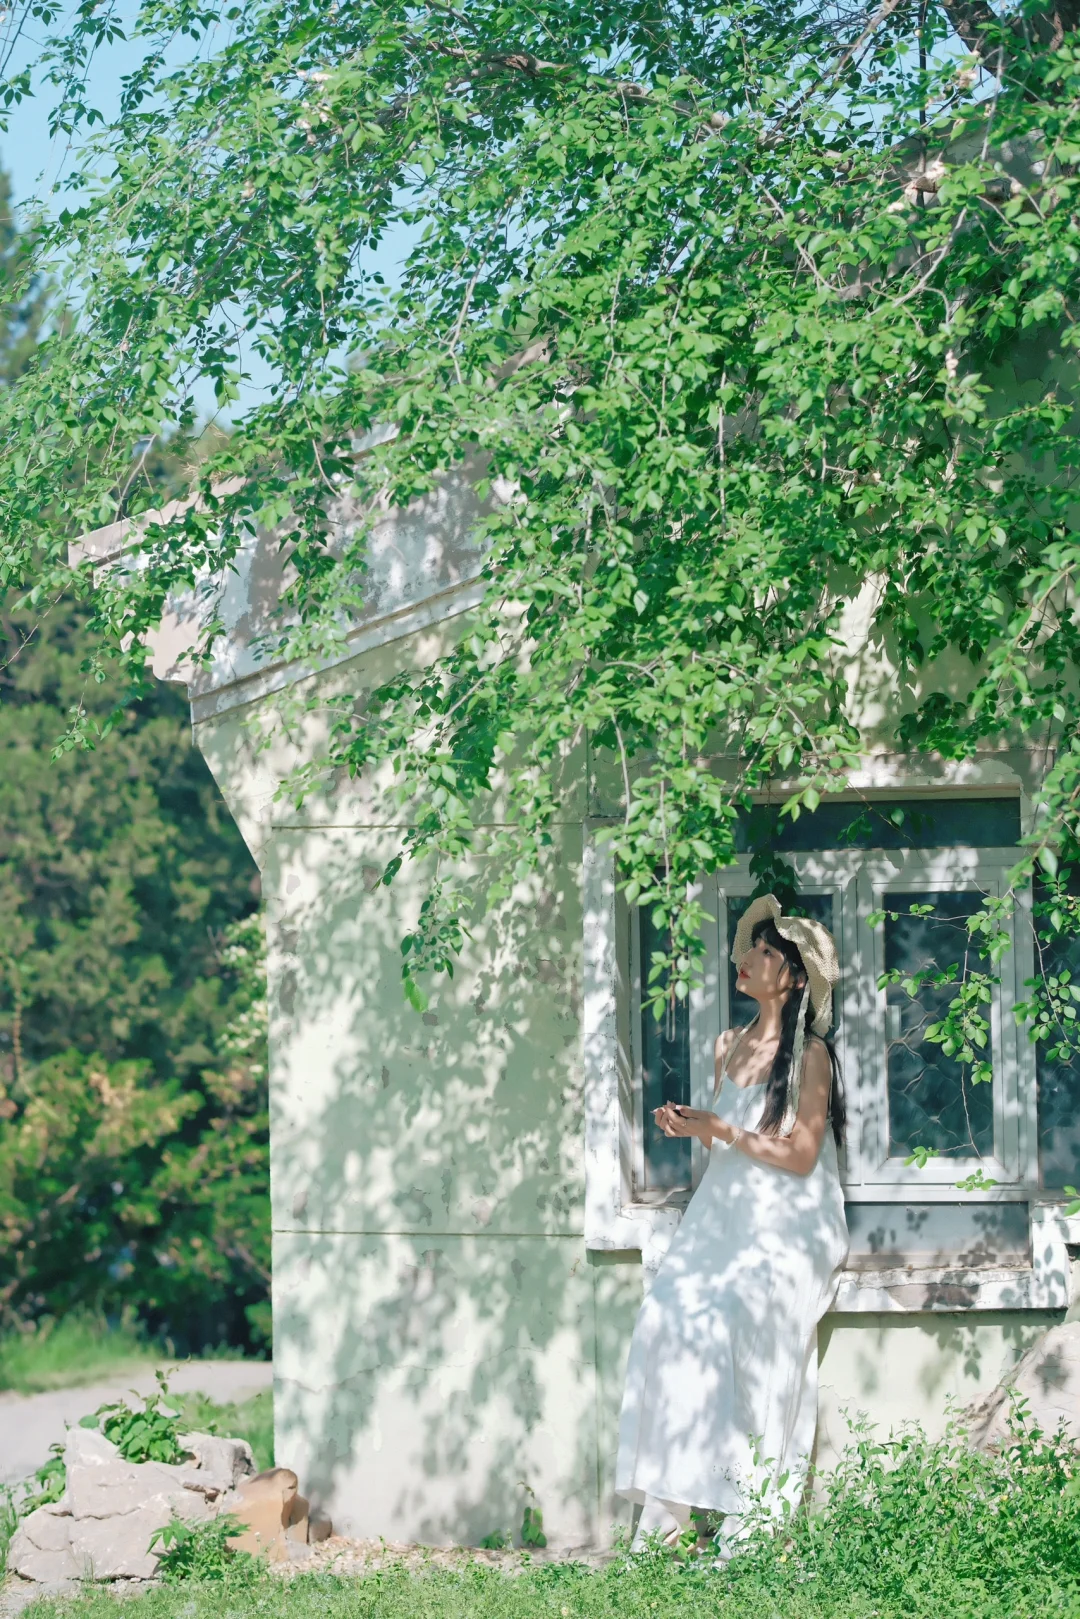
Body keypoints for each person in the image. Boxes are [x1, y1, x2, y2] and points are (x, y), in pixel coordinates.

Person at [615, 893, 849, 1556]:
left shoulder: (812, 1056)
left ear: (795, 977)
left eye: (764, 952)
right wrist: (694, 1126)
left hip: (787, 1223)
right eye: (749, 949)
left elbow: (801, 1155)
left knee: (735, 1318)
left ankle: (745, 1511)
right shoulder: (727, 1042)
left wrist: (722, 1128)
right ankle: (671, 1513)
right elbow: (724, 1150)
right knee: (663, 1316)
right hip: (726, 1212)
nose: (745, 960)